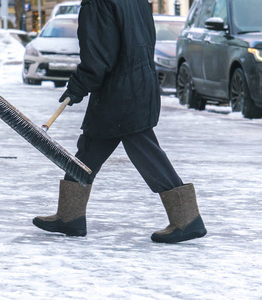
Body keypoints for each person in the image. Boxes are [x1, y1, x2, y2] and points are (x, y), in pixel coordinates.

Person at [32, 0, 207, 243]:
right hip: (138, 84)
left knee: (144, 149)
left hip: (120, 92)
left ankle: (187, 219)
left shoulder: (98, 3)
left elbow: (99, 55)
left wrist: (78, 86)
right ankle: (69, 216)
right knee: (91, 147)